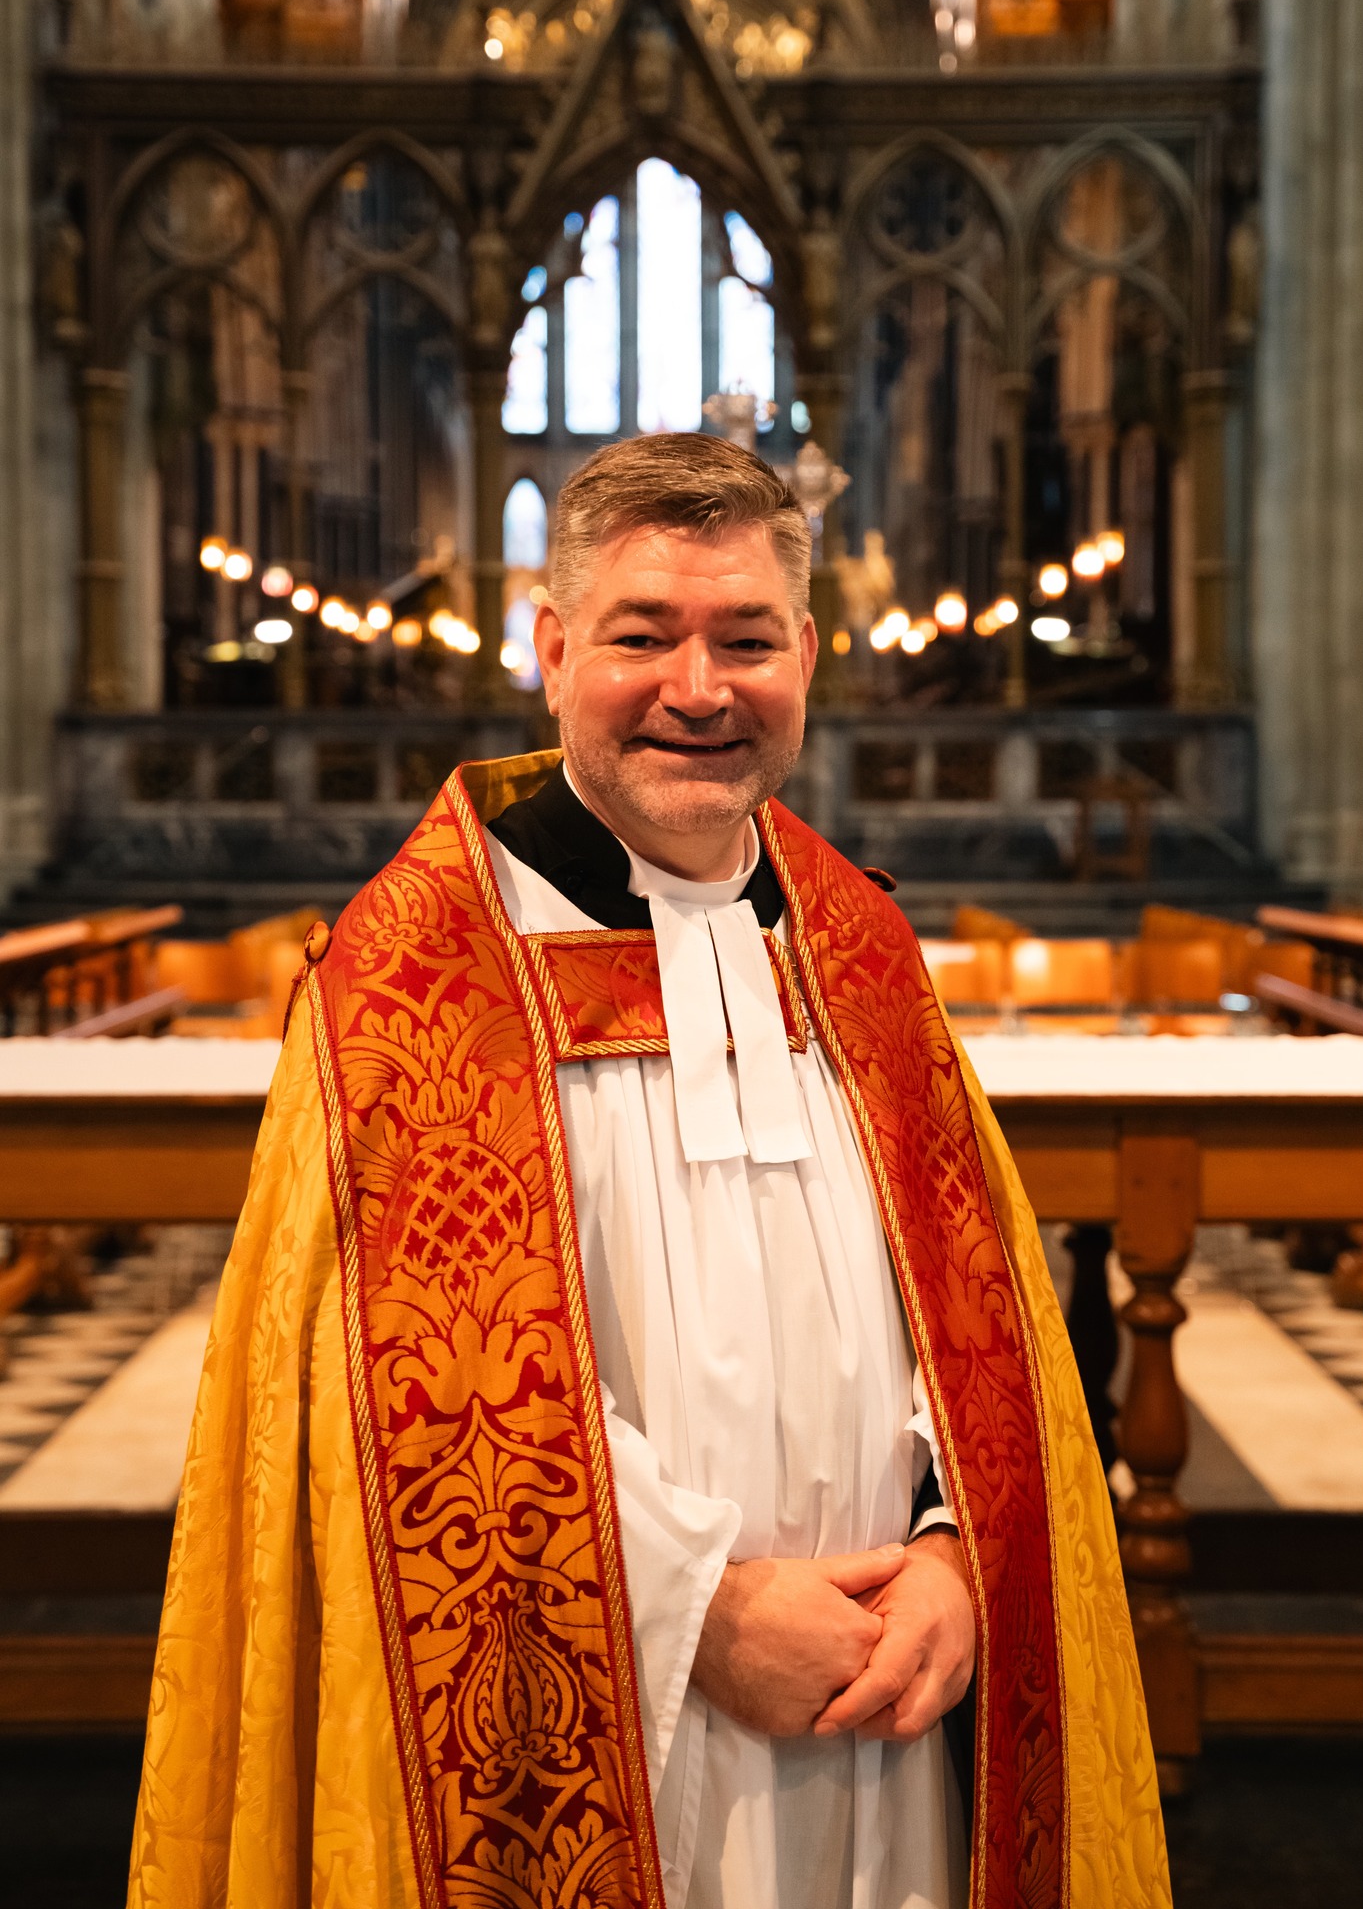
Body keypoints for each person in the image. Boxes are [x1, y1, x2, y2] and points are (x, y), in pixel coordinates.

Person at [127, 434, 1168, 1909]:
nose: (698, 689)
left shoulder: (861, 953)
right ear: (548, 650)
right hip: (603, 1718)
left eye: (745, 639)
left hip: (899, 1710)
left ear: (806, 655)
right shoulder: (414, 982)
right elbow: (402, 1410)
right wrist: (699, 1612)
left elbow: (978, 1322)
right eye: (641, 637)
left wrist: (954, 1557)